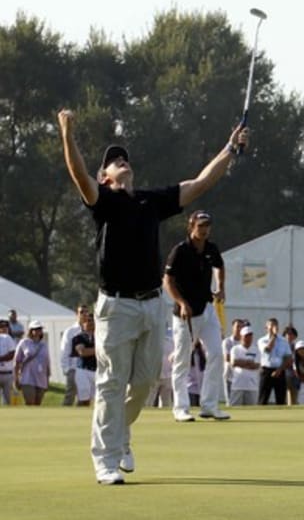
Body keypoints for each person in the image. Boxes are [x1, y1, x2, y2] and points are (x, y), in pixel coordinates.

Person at [58, 107, 247, 484]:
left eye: (123, 157)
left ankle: (120, 435)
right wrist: (67, 133)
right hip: (115, 305)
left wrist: (231, 149)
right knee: (111, 382)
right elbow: (79, 174)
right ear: (105, 177)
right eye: (113, 161)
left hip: (150, 304)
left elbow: (199, 184)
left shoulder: (149, 201)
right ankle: (106, 459)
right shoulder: (103, 202)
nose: (121, 161)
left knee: (143, 382)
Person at [163, 210, 229, 421]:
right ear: (191, 226)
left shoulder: (211, 248)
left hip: (207, 309)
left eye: (207, 225)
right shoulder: (180, 251)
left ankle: (209, 406)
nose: (204, 229)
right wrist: (181, 302)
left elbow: (220, 266)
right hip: (185, 315)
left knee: (217, 354)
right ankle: (180, 408)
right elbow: (167, 281)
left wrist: (221, 286)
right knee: (183, 360)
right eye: (200, 225)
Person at [59, 305, 90, 406]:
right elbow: (64, 351)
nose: (84, 315)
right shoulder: (70, 331)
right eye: (82, 312)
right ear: (77, 314)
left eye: (86, 312)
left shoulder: (92, 331)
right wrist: (66, 369)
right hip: (74, 368)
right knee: (70, 396)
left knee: (85, 397)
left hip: (88, 369)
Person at [14, 320, 50, 405]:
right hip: (27, 377)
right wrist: (16, 378)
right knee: (30, 402)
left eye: (40, 329)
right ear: (31, 330)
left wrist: (47, 379)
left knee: (38, 404)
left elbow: (47, 362)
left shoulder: (44, 344)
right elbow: (16, 361)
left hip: (41, 378)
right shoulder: (24, 342)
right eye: (36, 329)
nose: (38, 331)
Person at [258, 317, 292, 405]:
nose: (274, 327)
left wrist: (279, 370)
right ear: (266, 327)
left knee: (281, 399)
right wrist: (274, 336)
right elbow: (268, 349)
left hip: (280, 370)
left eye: (275, 325)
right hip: (266, 371)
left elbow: (288, 358)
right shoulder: (262, 340)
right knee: (263, 399)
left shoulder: (284, 341)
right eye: (271, 325)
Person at [228, 326, 261, 406]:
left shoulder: (256, 350)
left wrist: (241, 362)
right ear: (241, 336)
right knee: (235, 407)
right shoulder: (235, 349)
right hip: (237, 385)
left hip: (252, 386)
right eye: (246, 336)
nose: (249, 338)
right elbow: (234, 362)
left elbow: (256, 365)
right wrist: (248, 362)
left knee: (252, 409)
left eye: (250, 336)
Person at [72, 314, 98, 407]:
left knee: (98, 399)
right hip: (83, 370)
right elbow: (82, 352)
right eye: (87, 321)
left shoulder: (100, 337)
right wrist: (99, 350)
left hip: (97, 370)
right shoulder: (79, 337)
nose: (90, 323)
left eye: (92, 321)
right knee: (83, 398)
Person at [222, 318, 245, 405]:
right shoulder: (227, 342)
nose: (239, 329)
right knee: (230, 401)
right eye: (237, 326)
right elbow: (227, 358)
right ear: (233, 327)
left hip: (242, 376)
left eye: (241, 327)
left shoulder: (245, 342)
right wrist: (244, 362)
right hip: (230, 376)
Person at [0, 319, 16, 405]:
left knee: (7, 402)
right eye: (1, 327)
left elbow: (12, 354)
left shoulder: (8, 338)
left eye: (5, 327)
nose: (3, 329)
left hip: (7, 373)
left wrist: (1, 358)